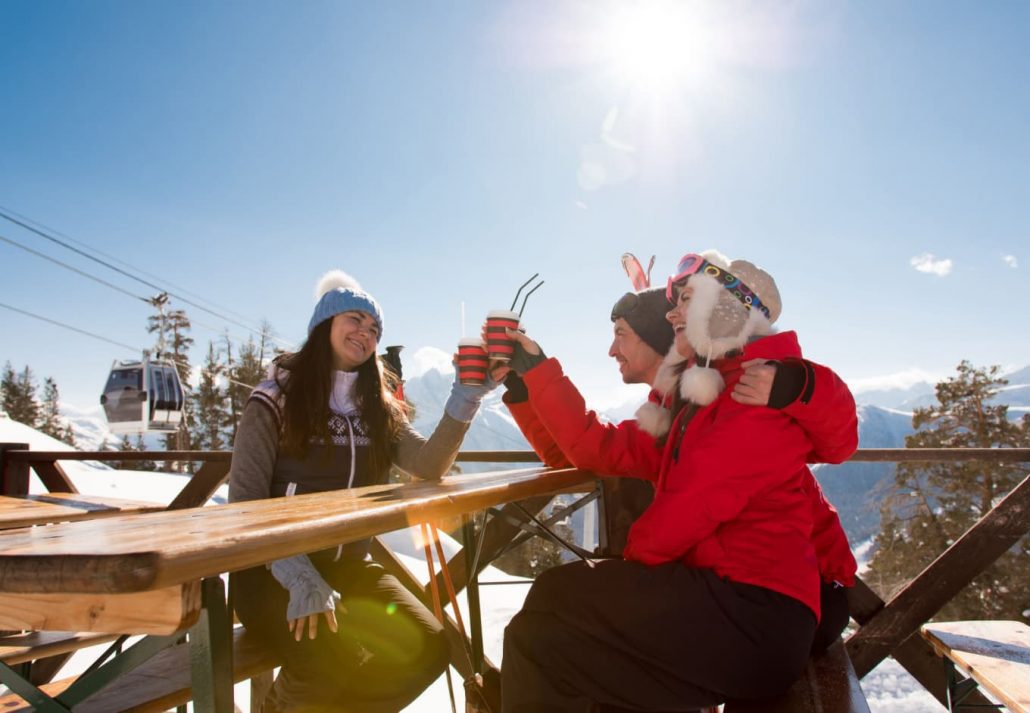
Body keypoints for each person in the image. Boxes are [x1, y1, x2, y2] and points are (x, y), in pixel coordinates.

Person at [499, 251, 859, 712]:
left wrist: (625, 578)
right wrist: (534, 374)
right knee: (545, 639)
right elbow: (596, 448)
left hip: (761, 614)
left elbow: (690, 506)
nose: (673, 314)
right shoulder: (697, 402)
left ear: (725, 310)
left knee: (558, 608)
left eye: (686, 300)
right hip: (744, 605)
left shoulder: (752, 391)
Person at [228, 270, 500, 713]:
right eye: (355, 319)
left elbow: (428, 464)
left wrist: (465, 398)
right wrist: (298, 575)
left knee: (427, 647)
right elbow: (245, 505)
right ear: (324, 324)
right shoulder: (274, 398)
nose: (366, 333)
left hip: (349, 568)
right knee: (327, 659)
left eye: (375, 329)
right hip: (269, 573)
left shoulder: (374, 405)